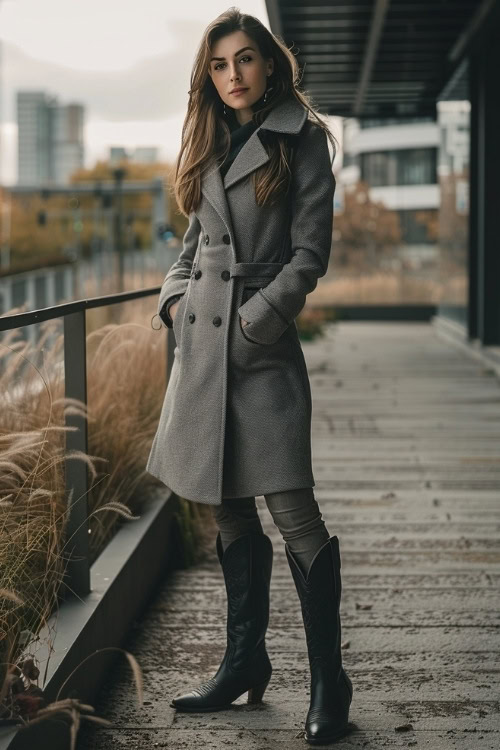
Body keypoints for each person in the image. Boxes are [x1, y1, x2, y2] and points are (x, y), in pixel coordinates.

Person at [147, 7, 353, 745]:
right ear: (208, 74)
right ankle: (243, 662)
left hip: (257, 350)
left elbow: (309, 256)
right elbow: (196, 240)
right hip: (201, 349)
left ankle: (331, 680)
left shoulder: (302, 140)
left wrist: (254, 323)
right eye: (219, 64)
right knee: (227, 508)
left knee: (296, 515)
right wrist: (174, 300)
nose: (232, 76)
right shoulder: (206, 139)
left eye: (245, 60)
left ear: (270, 63)